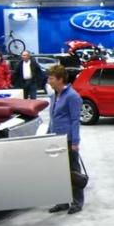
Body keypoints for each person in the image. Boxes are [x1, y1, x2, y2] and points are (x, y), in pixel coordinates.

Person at [47, 64, 85, 215]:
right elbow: (53, 119)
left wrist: (75, 142)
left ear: (60, 79)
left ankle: (76, 202)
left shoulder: (73, 96)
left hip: (68, 139)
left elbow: (76, 120)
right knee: (59, 172)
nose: (48, 81)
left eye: (51, 78)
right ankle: (62, 201)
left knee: (73, 172)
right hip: (55, 139)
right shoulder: (53, 96)